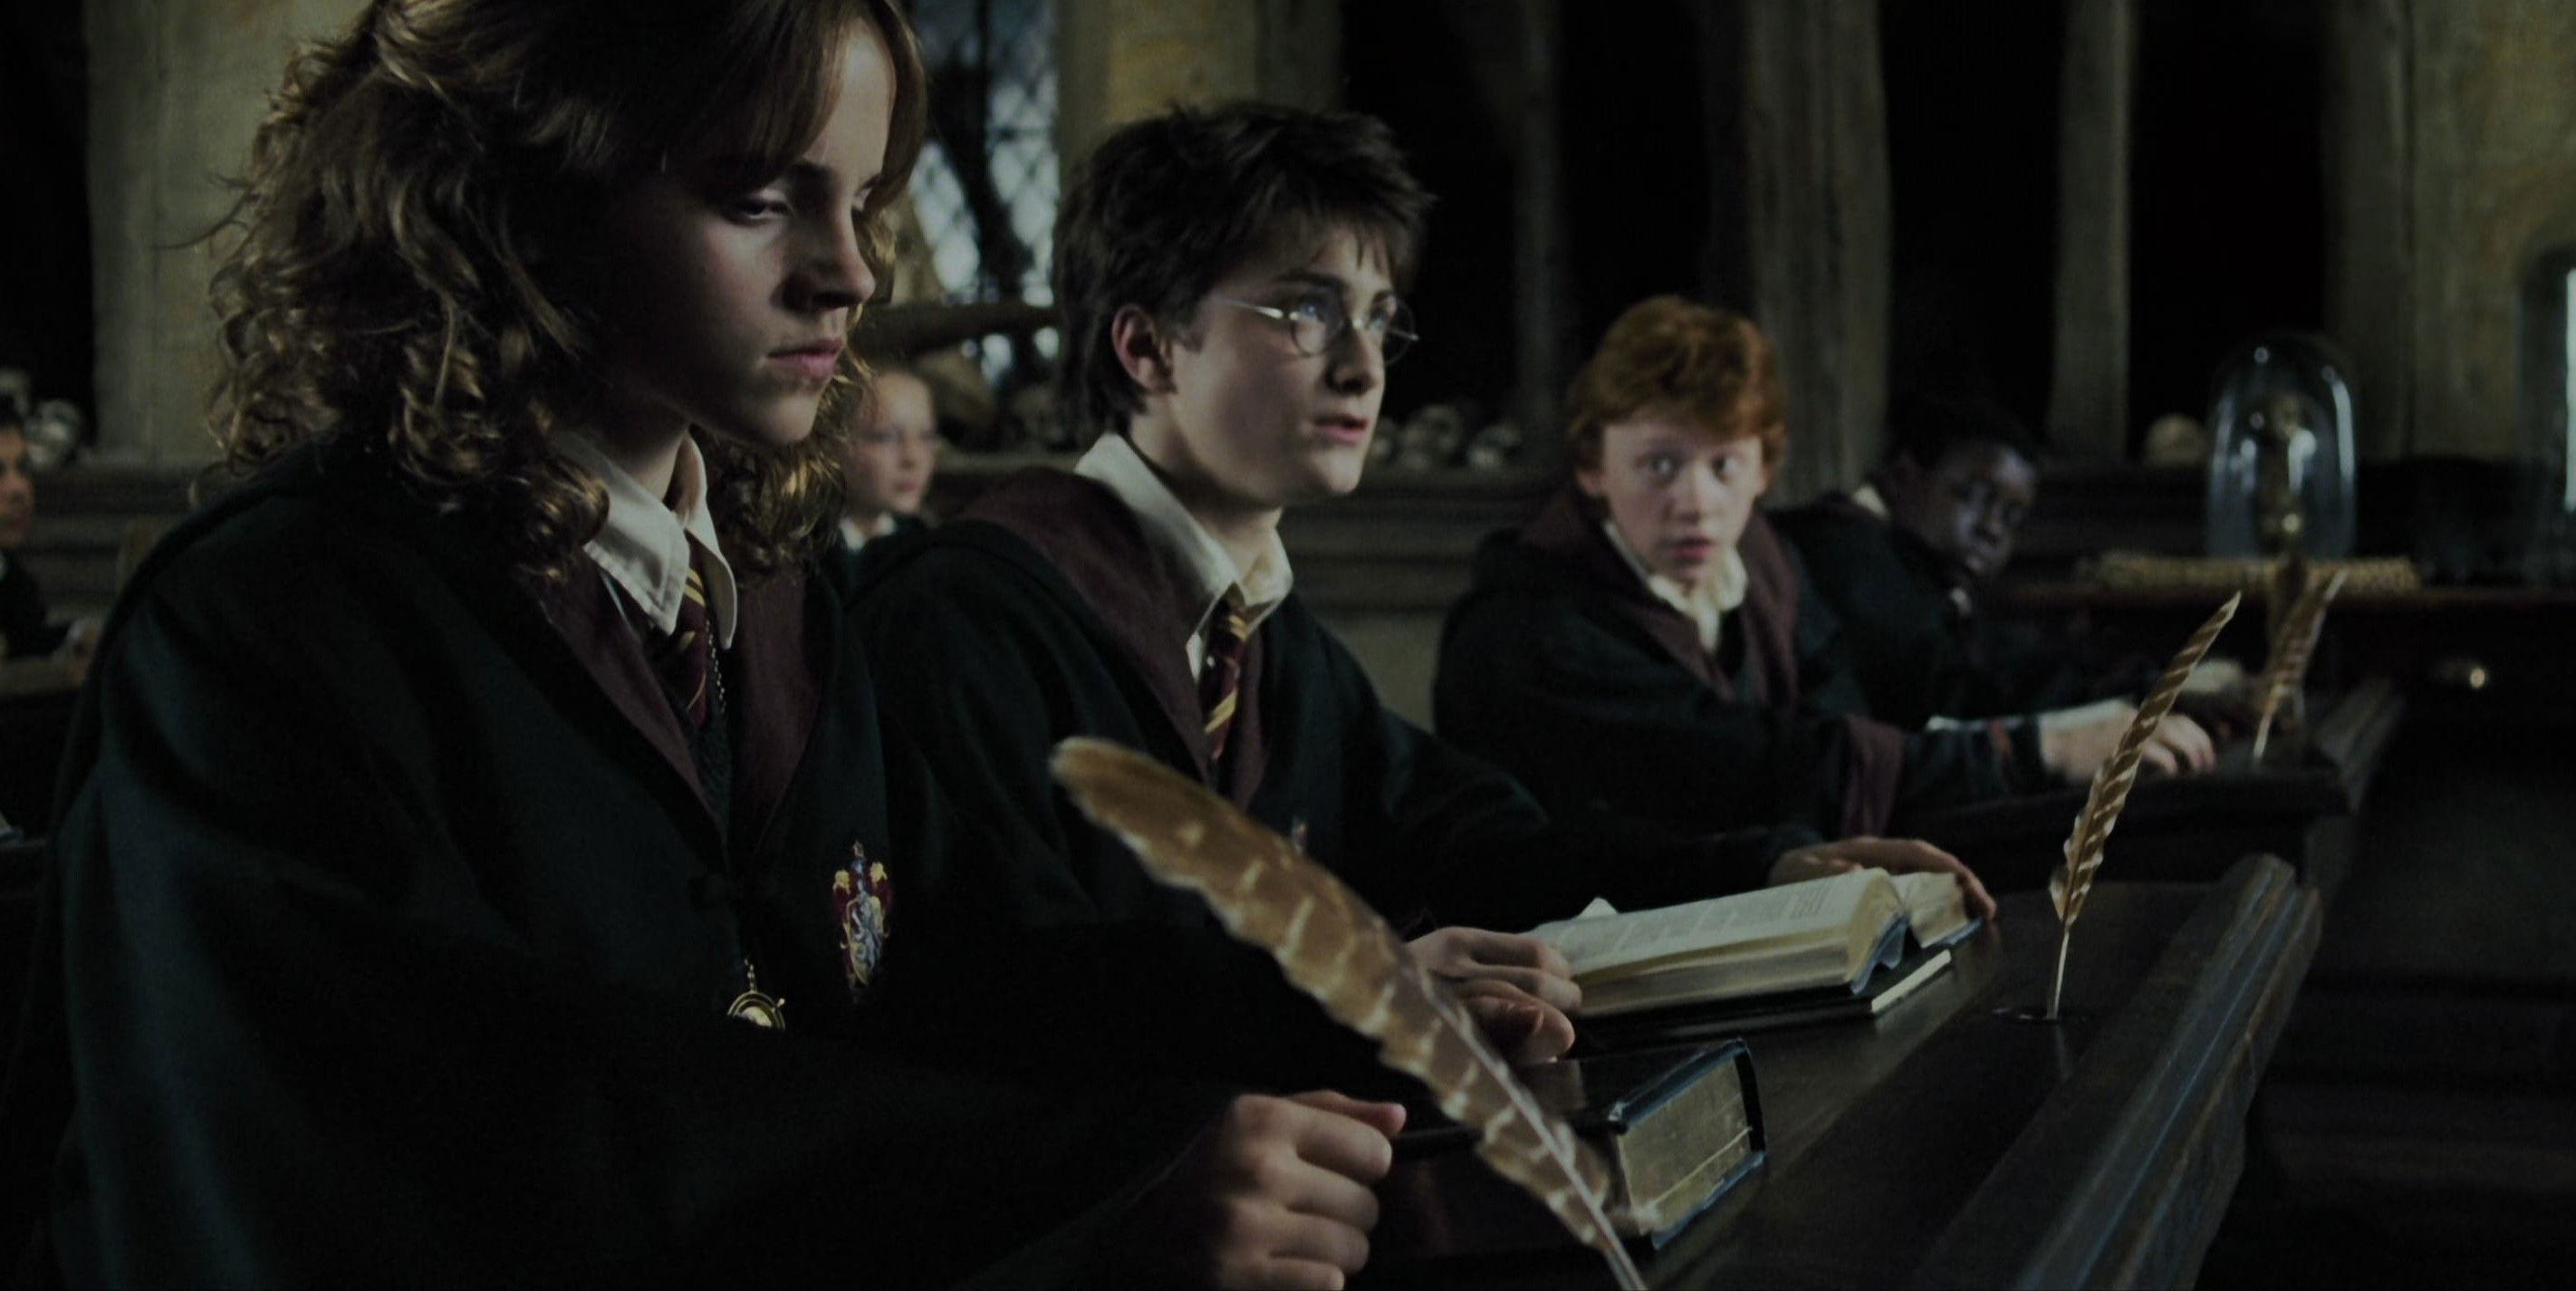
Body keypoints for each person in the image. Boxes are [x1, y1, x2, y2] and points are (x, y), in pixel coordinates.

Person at [0, 0, 1408, 1288]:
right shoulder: (274, 626)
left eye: (863, 202)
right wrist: (1092, 1199)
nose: (852, 274)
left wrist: (1370, 999)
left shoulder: (776, 603)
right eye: (760, 200)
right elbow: (470, 1154)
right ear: (522, 197)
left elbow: (962, 967)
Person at [851, 106, 1992, 1095]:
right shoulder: (970, 616)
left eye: (1377, 317)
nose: (1365, 367)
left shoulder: (1268, 633)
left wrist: (1766, 875)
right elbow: (998, 994)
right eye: (1306, 313)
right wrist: (1363, 986)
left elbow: (1486, 839)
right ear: (1149, 348)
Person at [1435, 299, 2210, 848]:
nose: (1696, 504)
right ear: (1593, 469)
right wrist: (2035, 751)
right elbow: (1750, 769)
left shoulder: (1761, 565)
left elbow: (1842, 718)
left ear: (1764, 470)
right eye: (1659, 465)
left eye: (1723, 466)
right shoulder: (1529, 629)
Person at [1774, 391, 2218, 743]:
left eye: (2010, 517)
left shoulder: (1927, 572)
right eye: (1974, 496)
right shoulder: (1848, 550)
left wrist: (2144, 682)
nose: (1991, 529)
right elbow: (1948, 687)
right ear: (1904, 477)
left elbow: (2003, 654)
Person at [819, 361, 937, 596]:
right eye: (885, 437)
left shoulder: (926, 545)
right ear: (834, 444)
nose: (913, 457)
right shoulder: (808, 557)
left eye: (926, 436)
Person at [0, 402, 85, 669]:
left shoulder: (14, 583)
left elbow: (27, 642)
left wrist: (75, 638)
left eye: (23, 468)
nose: (19, 489)